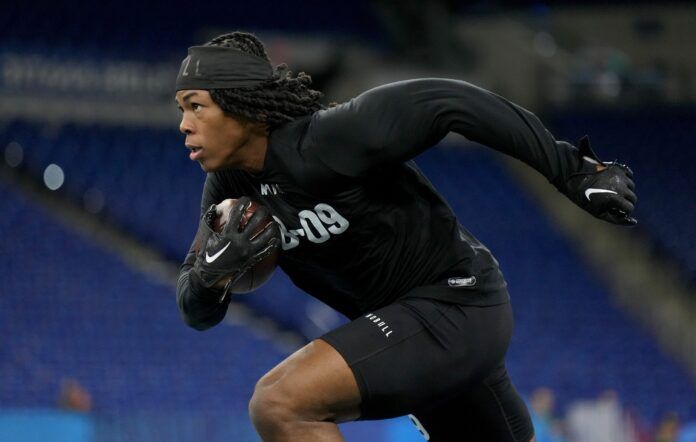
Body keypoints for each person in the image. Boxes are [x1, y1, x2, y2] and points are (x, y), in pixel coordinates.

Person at [175, 31, 637, 442]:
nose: (184, 123)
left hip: (458, 306)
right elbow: (193, 309)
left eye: (196, 105)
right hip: (414, 332)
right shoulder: (227, 190)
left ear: (242, 106)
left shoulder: (327, 140)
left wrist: (571, 169)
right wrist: (211, 278)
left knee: (279, 402)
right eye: (181, 109)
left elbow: (449, 101)